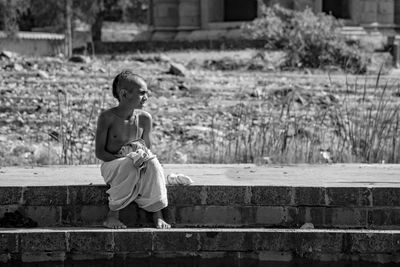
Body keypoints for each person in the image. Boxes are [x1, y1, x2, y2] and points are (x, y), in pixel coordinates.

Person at [95, 70, 170, 229]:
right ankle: (112, 216)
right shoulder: (107, 117)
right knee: (129, 164)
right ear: (124, 94)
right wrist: (127, 160)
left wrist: (139, 155)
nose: (146, 97)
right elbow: (100, 153)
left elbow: (147, 149)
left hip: (137, 163)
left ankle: (158, 215)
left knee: (153, 163)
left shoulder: (144, 118)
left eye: (147, 93)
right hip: (113, 166)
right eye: (141, 93)